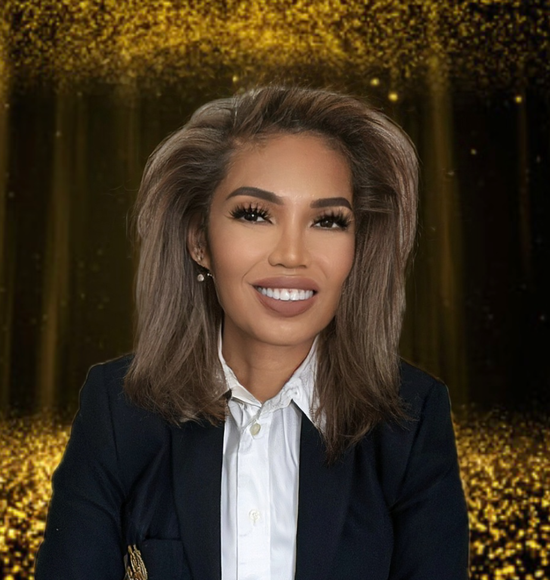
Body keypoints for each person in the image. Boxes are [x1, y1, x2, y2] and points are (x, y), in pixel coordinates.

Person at [35, 85, 469, 580]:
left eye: (328, 221)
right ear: (199, 240)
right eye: (255, 214)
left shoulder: (414, 419)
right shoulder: (116, 409)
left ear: (358, 247)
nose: (292, 254)